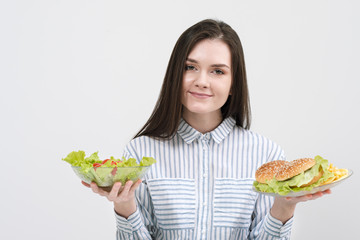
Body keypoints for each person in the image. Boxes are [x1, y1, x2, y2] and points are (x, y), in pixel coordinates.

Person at [82, 19, 330, 239]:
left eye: (218, 71)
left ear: (234, 84)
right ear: (174, 75)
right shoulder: (140, 153)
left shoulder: (266, 155)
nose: (201, 81)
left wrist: (285, 206)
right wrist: (124, 205)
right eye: (190, 67)